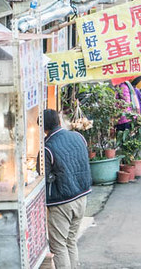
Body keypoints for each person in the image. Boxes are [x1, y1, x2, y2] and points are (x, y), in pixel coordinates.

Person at [43, 108, 92, 269]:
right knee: (71, 241)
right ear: (58, 121)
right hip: (82, 196)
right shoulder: (78, 137)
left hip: (62, 201)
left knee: (59, 245)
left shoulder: (47, 147)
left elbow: (43, 175)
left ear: (44, 128)